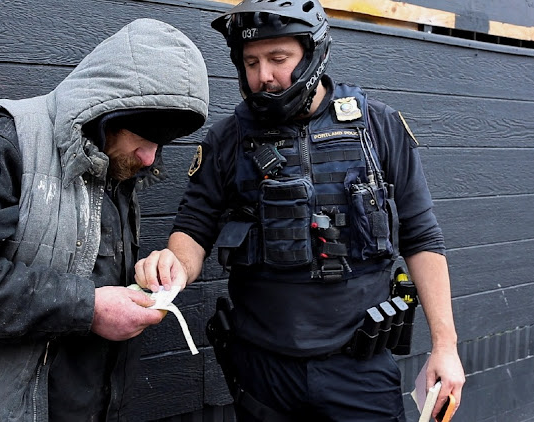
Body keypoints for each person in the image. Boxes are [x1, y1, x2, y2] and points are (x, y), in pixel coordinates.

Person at [135, 1, 465, 421]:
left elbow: (423, 239)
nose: (263, 76)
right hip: (262, 372)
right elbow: (193, 230)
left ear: (312, 54)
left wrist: (445, 347)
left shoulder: (378, 127)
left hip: (359, 370)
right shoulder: (226, 140)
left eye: (278, 59)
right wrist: (172, 267)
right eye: (251, 62)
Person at [0, 18, 209, 422]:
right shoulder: (6, 141)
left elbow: (83, 263)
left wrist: (144, 276)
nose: (151, 158)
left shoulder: (115, 160)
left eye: (161, 143)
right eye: (144, 136)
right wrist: (89, 307)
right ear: (107, 110)